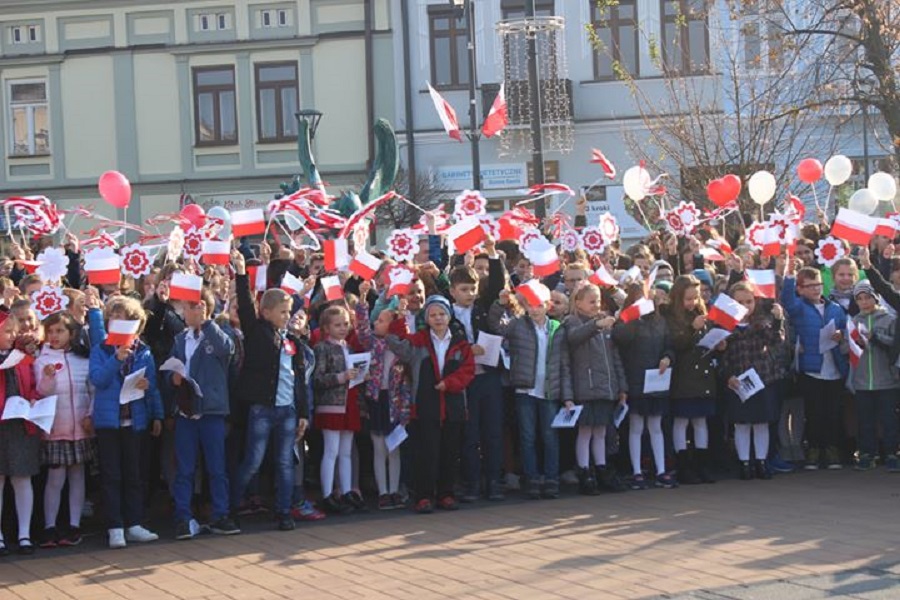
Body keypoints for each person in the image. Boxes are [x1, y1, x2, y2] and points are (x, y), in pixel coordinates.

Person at [230, 250, 310, 532]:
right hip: (262, 409)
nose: (287, 316)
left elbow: (298, 380)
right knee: (252, 460)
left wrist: (303, 413)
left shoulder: (292, 341)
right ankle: (230, 507)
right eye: (283, 312)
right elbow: (244, 306)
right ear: (266, 313)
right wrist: (241, 274)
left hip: (287, 410)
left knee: (285, 462)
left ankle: (284, 511)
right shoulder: (257, 331)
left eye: (289, 312)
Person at [386, 295, 474, 513]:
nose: (438, 318)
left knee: (450, 453)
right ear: (426, 318)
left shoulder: (461, 343)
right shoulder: (419, 341)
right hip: (426, 406)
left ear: (449, 315)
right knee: (427, 453)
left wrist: (450, 383)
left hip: (453, 406)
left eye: (442, 314)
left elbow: (467, 371)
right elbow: (399, 346)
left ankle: (446, 493)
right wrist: (398, 319)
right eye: (433, 315)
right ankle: (424, 496)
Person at [87, 295, 163, 549]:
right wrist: (116, 359)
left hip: (135, 420)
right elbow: (98, 379)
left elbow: (151, 386)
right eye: (115, 318)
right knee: (111, 475)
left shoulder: (144, 351)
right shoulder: (101, 349)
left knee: (134, 474)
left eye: (126, 319)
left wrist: (157, 413)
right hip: (109, 423)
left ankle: (134, 523)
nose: (120, 323)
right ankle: (115, 527)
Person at [165, 287, 240, 540]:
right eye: (185, 308)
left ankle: (221, 514)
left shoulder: (219, 332)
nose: (185, 313)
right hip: (187, 413)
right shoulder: (180, 339)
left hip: (212, 411)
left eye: (189, 307)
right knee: (185, 468)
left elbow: (225, 350)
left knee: (216, 467)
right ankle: (182, 517)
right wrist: (172, 378)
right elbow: (169, 369)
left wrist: (207, 322)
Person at [488, 283, 565, 499]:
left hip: (549, 390)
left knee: (550, 436)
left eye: (539, 305)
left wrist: (566, 395)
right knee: (527, 436)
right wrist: (499, 304)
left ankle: (551, 478)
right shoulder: (518, 325)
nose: (535, 310)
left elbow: (563, 363)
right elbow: (496, 326)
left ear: (547, 306)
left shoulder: (557, 327)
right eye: (530, 305)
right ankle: (532, 478)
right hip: (525, 389)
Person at [450, 238, 506, 502]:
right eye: (464, 289)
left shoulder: (482, 308)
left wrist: (493, 253)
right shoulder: (447, 315)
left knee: (493, 431)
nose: (469, 293)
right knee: (469, 434)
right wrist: (465, 351)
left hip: (489, 376)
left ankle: (493, 481)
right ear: (452, 291)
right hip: (465, 380)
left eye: (472, 288)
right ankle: (471, 482)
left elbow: (496, 285)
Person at [561, 283, 628, 495]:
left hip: (604, 388)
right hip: (585, 388)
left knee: (601, 431)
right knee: (585, 431)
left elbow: (615, 358)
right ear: (577, 302)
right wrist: (596, 325)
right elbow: (575, 337)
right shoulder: (572, 322)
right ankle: (584, 470)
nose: (596, 305)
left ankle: (601, 467)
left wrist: (621, 386)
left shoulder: (604, 322)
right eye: (591, 301)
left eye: (598, 300)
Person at [35, 312, 94, 548]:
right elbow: (41, 392)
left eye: (59, 331)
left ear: (71, 333)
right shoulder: (42, 359)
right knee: (55, 477)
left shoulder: (83, 360)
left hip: (80, 426)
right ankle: (50, 526)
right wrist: (48, 378)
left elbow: (92, 391)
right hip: (55, 427)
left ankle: (74, 525)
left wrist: (90, 415)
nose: (54, 336)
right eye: (50, 331)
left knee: (78, 475)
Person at [781, 264, 848, 470]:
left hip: (834, 367)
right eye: (809, 286)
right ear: (800, 289)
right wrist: (789, 276)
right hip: (811, 369)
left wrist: (840, 336)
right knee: (814, 411)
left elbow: (845, 331)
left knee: (832, 412)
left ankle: (831, 449)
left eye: (818, 284)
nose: (816, 289)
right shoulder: (800, 307)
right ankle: (814, 449)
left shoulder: (835, 308)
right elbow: (787, 302)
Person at [613, 284, 677, 490]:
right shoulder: (627, 321)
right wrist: (633, 317)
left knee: (656, 426)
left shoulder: (660, 322)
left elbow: (669, 345)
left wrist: (668, 357)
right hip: (635, 380)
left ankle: (660, 470)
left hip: (656, 380)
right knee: (636, 426)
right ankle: (637, 471)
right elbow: (621, 337)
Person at [354, 282, 411, 510]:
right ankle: (383, 491)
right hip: (377, 399)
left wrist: (403, 314)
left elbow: (406, 380)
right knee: (379, 447)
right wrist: (362, 299)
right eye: (376, 320)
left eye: (381, 320)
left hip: (396, 403)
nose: (376, 323)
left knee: (394, 448)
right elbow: (361, 328)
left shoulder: (399, 348)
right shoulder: (372, 343)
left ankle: (395, 489)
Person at [721, 282, 785, 480]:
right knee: (742, 424)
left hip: (761, 379)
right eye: (740, 302)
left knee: (761, 423)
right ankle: (744, 463)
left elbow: (776, 340)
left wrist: (778, 321)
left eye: (749, 301)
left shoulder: (761, 322)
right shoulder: (725, 326)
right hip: (738, 381)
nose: (745, 306)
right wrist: (727, 375)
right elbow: (721, 358)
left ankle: (761, 461)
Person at [663, 275, 719, 484]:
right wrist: (691, 328)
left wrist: (718, 345)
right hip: (683, 376)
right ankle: (683, 465)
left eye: (696, 298)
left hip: (703, 375)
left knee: (700, 421)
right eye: (688, 298)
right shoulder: (670, 316)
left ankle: (701, 464)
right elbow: (675, 342)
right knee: (681, 421)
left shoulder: (700, 314)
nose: (693, 303)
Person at [313, 305, 364, 514]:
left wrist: (361, 375)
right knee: (331, 451)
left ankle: (345, 492)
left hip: (348, 402)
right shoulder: (322, 348)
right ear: (326, 327)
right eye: (337, 325)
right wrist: (341, 377)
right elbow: (317, 378)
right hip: (331, 404)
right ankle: (327, 494)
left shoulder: (349, 348)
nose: (343, 328)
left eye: (345, 324)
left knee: (345, 452)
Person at [0, 312, 40, 555]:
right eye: (6, 331)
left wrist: (34, 399)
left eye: (13, 331)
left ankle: (24, 534)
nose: (12, 335)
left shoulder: (22, 359)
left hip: (20, 426)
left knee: (22, 478)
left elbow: (33, 386)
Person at [848, 281, 899, 471]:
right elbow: (848, 349)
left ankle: (892, 454)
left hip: (887, 380)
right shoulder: (854, 321)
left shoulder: (889, 319)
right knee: (865, 421)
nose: (864, 302)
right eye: (860, 299)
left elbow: (894, 346)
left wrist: (874, 337)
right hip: (862, 381)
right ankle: (868, 454)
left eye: (868, 297)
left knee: (889, 420)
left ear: (875, 298)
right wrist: (844, 340)